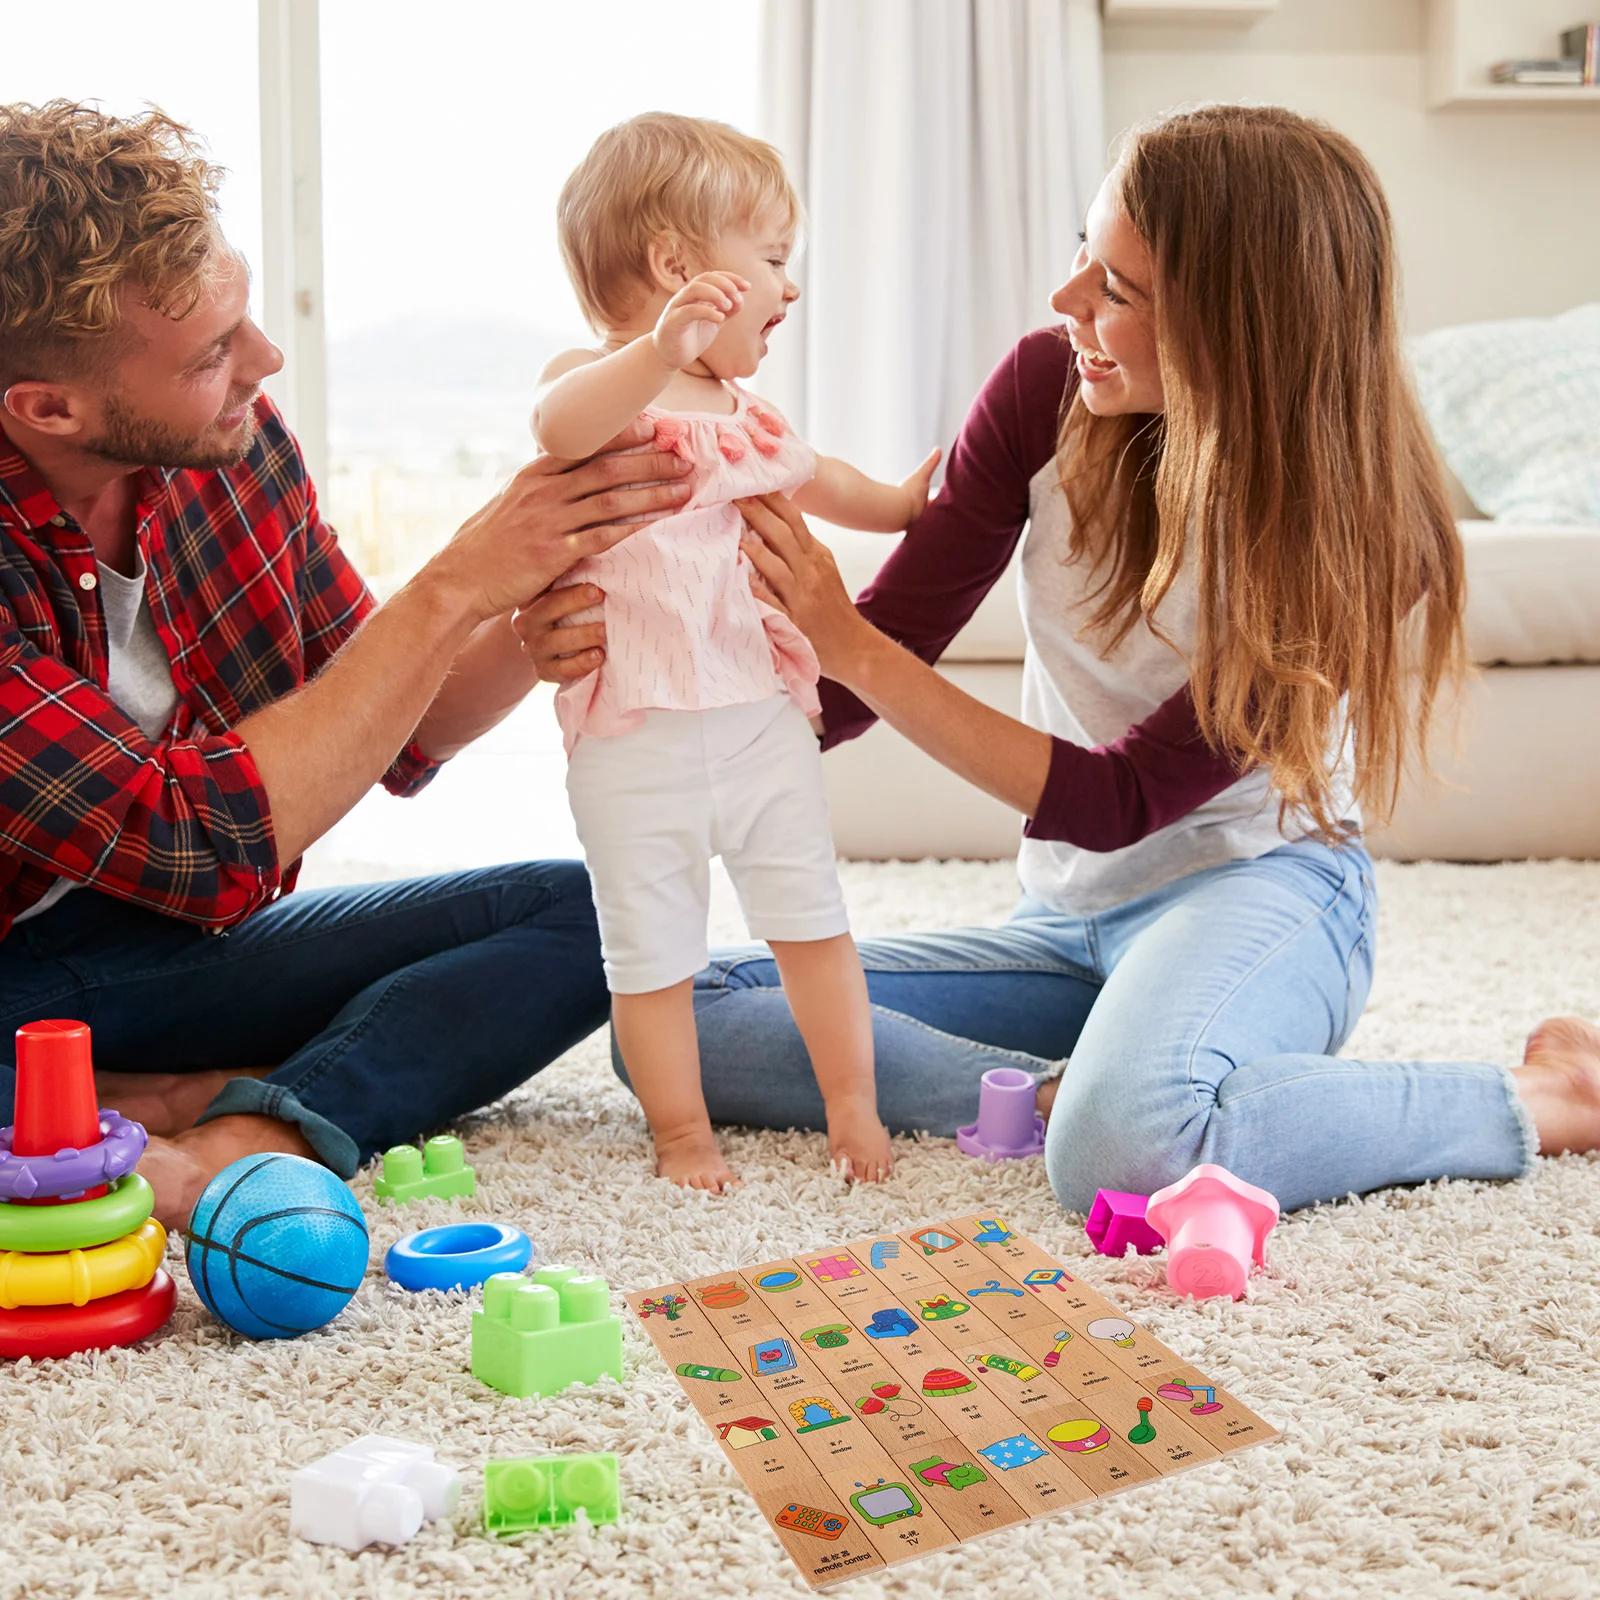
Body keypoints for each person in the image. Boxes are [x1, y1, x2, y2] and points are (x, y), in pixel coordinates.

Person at [523, 103, 1600, 1214]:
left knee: (1121, 1159)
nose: (1066, 298)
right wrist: (631, 639)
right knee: (675, 1024)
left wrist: (835, 636)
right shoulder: (1044, 385)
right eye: (1083, 253)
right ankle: (1073, 1090)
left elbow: (1118, 798)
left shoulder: (1360, 531)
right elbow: (850, 688)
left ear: (1237, 325)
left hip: (1258, 889)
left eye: (1116, 289)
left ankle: (1538, 1093)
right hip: (1066, 922)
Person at [0, 101, 694, 1226]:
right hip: (18, 969)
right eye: (215, 351)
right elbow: (201, 843)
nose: (264, 363)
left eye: (245, 315)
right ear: (48, 408)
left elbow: (389, 718)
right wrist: (455, 583)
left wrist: (525, 618)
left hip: (153, 950)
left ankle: (236, 1123)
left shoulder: (228, 442)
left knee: (583, 912)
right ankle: (108, 1106)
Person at [530, 114, 935, 1189]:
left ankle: (853, 1110)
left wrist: (898, 504)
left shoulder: (745, 417)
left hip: (758, 721)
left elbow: (821, 477)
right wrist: (653, 351)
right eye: (771, 262)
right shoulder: (602, 386)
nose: (788, 290)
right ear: (676, 270)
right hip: (632, 733)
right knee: (651, 952)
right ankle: (681, 1134)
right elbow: (560, 425)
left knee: (812, 923)